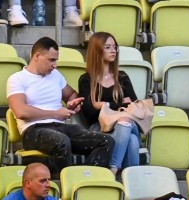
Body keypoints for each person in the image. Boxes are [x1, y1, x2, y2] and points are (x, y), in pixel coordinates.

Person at [7, 37, 114, 175]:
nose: (55, 65)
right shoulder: (17, 79)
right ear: (37, 56)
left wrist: (72, 103)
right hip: (33, 130)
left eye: (55, 60)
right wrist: (55, 114)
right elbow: (21, 111)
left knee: (106, 141)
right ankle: (61, 181)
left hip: (59, 127)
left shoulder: (55, 75)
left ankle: (85, 178)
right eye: (51, 60)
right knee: (62, 142)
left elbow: (71, 95)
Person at [79, 32, 141, 175]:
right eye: (107, 47)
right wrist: (120, 104)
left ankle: (113, 168)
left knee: (124, 121)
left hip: (128, 124)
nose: (113, 50)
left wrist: (103, 105)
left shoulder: (122, 77)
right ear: (97, 50)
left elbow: (134, 106)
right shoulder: (86, 79)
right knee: (131, 140)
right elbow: (90, 113)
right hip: (100, 126)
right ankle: (131, 180)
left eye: (115, 47)